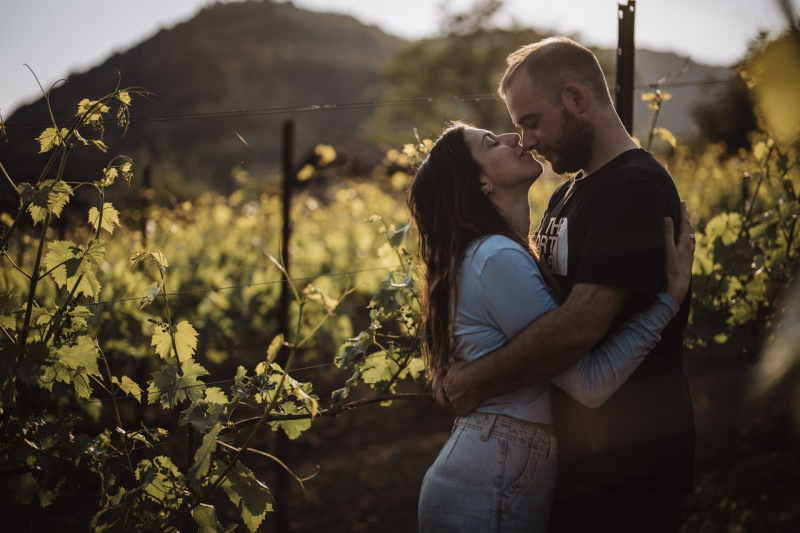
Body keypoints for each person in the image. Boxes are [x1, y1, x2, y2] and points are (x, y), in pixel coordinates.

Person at [440, 37, 695, 532]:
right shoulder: (566, 196)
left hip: (631, 473)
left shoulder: (634, 188)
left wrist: (474, 380)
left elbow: (577, 328)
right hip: (572, 467)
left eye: (530, 121)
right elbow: (534, 315)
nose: (527, 141)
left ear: (577, 100)